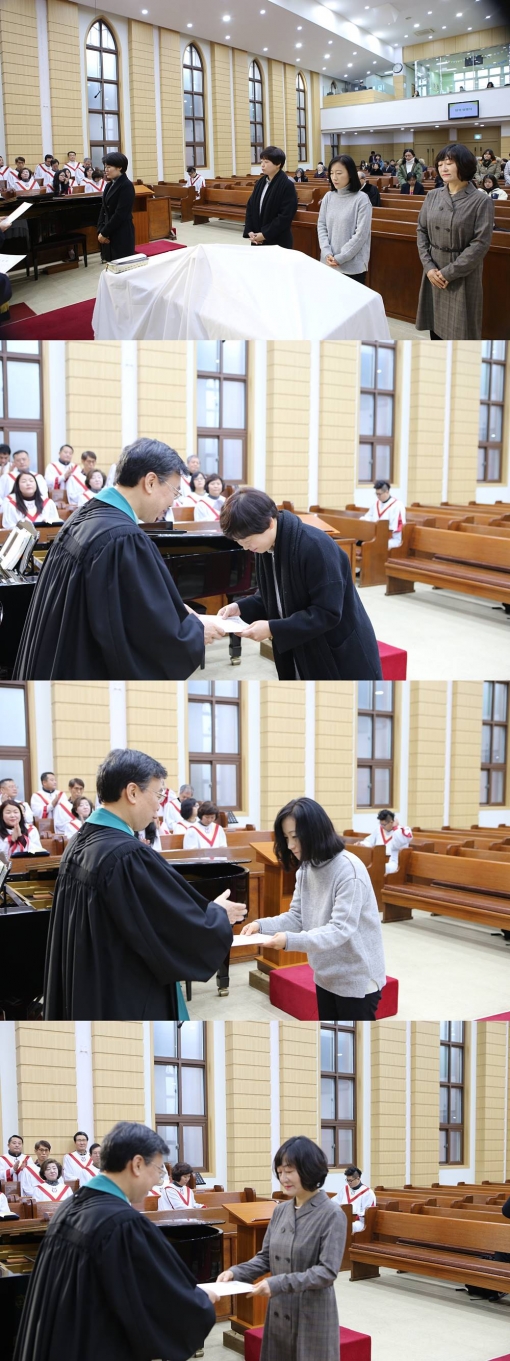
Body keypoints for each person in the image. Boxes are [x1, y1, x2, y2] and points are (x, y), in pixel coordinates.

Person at [43, 747, 246, 1019]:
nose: (160, 805)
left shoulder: (81, 841)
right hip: (123, 994)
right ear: (132, 792)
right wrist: (218, 916)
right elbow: (168, 926)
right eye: (158, 794)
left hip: (88, 988)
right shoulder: (126, 855)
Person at [13, 438, 226, 681]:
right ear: (150, 481)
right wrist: (195, 633)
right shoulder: (122, 539)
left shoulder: (85, 515)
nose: (173, 502)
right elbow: (145, 635)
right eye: (175, 491)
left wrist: (177, 610)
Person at [12, 1120, 219, 1361]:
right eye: (159, 1169)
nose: (158, 1180)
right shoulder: (121, 1224)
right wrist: (201, 1301)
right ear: (137, 1164)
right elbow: (157, 1305)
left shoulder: (69, 1207)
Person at [241, 797, 386, 1020]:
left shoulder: (349, 870)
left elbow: (340, 929)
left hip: (356, 977)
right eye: (286, 838)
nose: (290, 845)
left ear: (316, 832)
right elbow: (297, 916)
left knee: (353, 1040)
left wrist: (288, 941)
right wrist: (261, 926)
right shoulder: (307, 867)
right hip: (325, 974)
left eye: (295, 837)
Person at [218, 489, 382, 681]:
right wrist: (240, 608)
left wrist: (272, 629)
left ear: (270, 523)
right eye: (239, 542)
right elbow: (273, 595)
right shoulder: (265, 546)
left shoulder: (315, 546)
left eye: (246, 541)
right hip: (303, 646)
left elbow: (327, 612)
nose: (245, 547)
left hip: (336, 650)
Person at [217, 1135, 346, 1361]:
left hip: (311, 1314)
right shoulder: (280, 1210)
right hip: (279, 1310)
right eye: (279, 1171)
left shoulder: (331, 1213)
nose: (283, 1178)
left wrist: (277, 1283)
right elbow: (266, 1257)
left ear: (309, 1170)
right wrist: (235, 1272)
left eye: (289, 1171)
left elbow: (327, 1272)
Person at [416, 142, 494, 340]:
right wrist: (429, 267)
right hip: (433, 270)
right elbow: (421, 231)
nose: (443, 168)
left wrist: (448, 273)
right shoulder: (432, 196)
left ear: (464, 165)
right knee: (435, 330)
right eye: (440, 164)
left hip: (461, 274)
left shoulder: (480, 200)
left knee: (460, 333)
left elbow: (480, 244)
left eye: (449, 163)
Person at [317, 155, 371, 285]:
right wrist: (326, 252)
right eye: (331, 173)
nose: (334, 177)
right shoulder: (328, 196)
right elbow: (321, 225)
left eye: (339, 173)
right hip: (328, 262)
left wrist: (341, 257)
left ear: (350, 174)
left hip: (352, 267)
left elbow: (361, 235)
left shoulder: (361, 199)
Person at [243, 146, 298, 250]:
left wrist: (265, 234)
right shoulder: (260, 183)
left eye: (266, 162)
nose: (262, 165)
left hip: (278, 240)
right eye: (261, 161)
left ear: (278, 164)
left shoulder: (287, 185)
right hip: (257, 238)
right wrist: (250, 231)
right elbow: (251, 207)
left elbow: (285, 216)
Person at [97, 151, 136, 262]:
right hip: (108, 232)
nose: (106, 170)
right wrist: (100, 230)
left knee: (121, 265)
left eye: (109, 167)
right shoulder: (109, 185)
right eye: (105, 167)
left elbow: (120, 214)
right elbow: (103, 209)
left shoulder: (126, 185)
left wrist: (105, 232)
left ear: (119, 167)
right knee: (110, 264)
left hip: (121, 233)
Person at [361, 808, 413, 873]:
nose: (382, 826)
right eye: (381, 824)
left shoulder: (402, 830)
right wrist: (363, 844)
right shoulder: (379, 830)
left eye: (384, 824)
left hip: (395, 862)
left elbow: (399, 843)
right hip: (379, 859)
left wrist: (395, 828)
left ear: (391, 822)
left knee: (380, 868)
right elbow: (370, 841)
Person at [362, 480, 406, 548]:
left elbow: (397, 526)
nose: (378, 496)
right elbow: (369, 516)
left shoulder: (397, 505)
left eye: (379, 494)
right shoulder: (376, 504)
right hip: (377, 536)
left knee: (378, 545)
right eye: (376, 494)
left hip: (393, 538)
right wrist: (364, 519)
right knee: (362, 543)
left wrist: (382, 532)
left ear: (387, 492)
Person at [337, 1166, 376, 1233]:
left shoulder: (368, 1193)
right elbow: (336, 1201)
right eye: (347, 1180)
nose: (349, 1183)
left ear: (358, 1178)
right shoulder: (344, 1189)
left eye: (351, 1180)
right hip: (344, 1218)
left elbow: (369, 1212)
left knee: (348, 1226)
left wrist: (354, 1215)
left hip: (359, 1222)